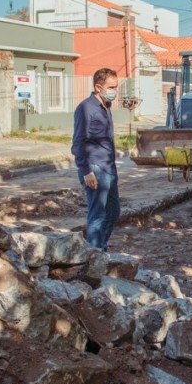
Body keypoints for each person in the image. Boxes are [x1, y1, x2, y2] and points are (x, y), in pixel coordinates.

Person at [72, 68, 120, 251]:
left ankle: (99, 247)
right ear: (98, 86)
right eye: (111, 87)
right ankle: (94, 255)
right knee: (97, 214)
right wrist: (86, 171)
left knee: (114, 211)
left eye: (116, 86)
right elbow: (78, 143)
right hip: (95, 169)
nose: (114, 90)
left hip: (109, 168)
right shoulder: (86, 108)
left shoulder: (105, 106)